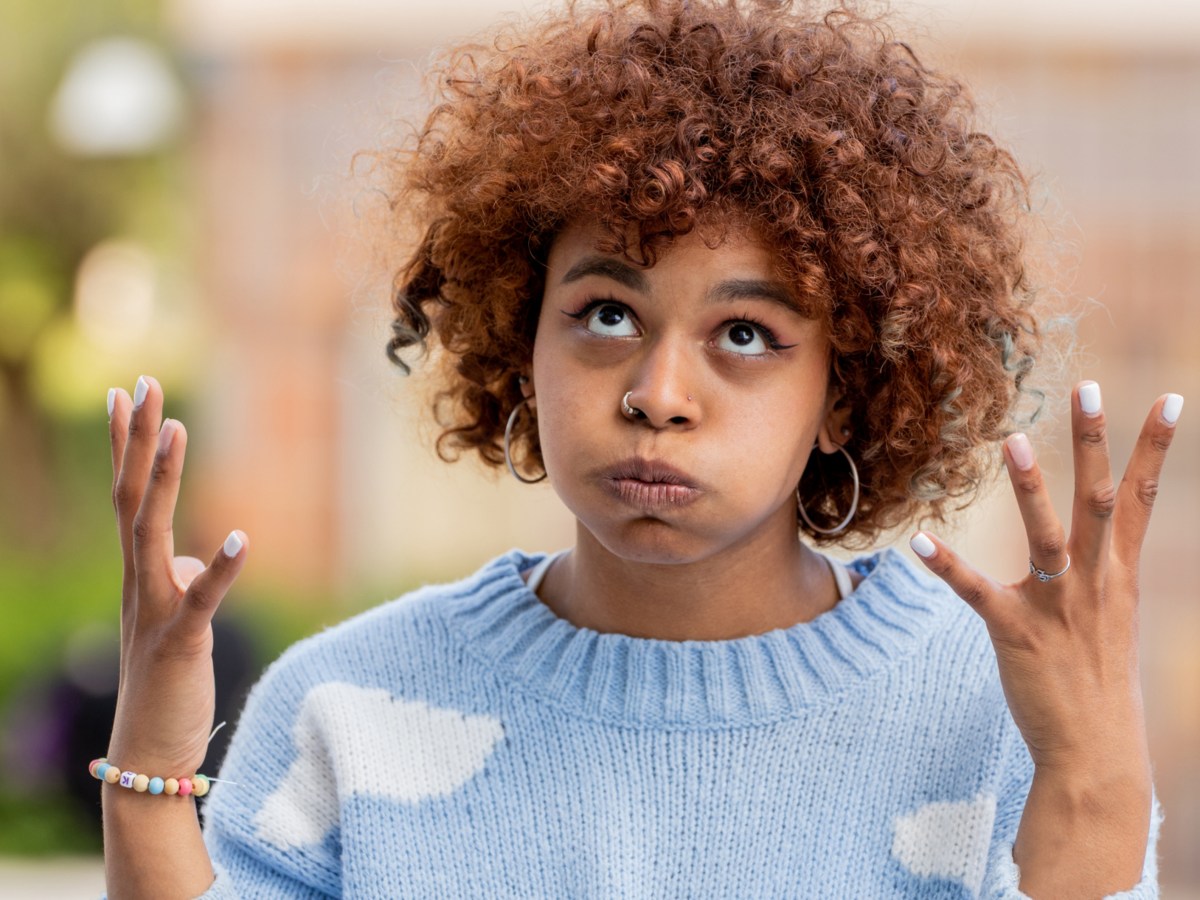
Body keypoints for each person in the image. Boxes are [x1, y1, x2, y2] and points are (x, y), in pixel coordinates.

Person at [97, 1, 1183, 897]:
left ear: (843, 395)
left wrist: (1091, 766)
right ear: (522, 339)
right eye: (608, 314)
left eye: (747, 336)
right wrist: (148, 759)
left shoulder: (988, 706)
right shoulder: (349, 707)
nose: (659, 395)